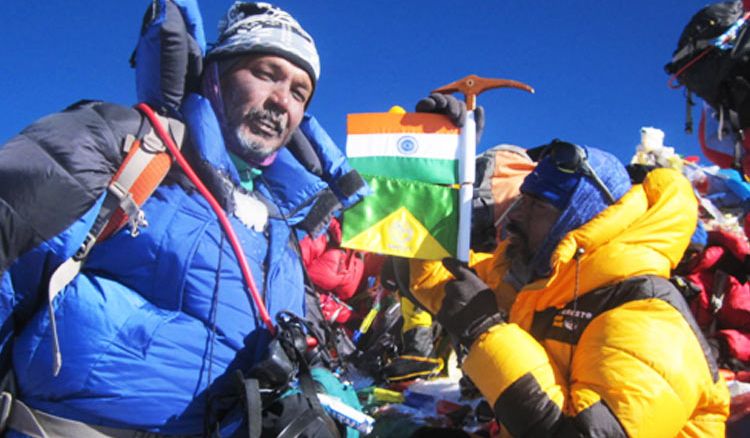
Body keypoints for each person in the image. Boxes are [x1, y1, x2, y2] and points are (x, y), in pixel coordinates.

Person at [0, 1, 367, 436]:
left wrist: (316, 381)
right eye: (266, 73)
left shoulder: (282, 231)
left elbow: (302, 344)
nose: (281, 101)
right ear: (217, 73)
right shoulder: (122, 147)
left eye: (299, 92)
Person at [409, 140, 730, 436]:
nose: (514, 216)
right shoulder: (541, 283)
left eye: (537, 206)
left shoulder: (648, 318)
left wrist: (485, 329)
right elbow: (436, 280)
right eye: (523, 199)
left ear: (578, 219)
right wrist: (438, 180)